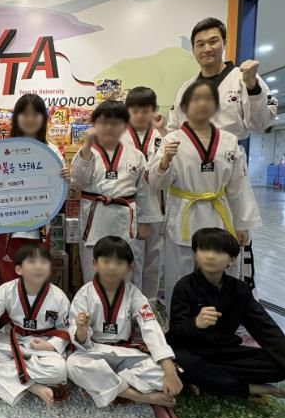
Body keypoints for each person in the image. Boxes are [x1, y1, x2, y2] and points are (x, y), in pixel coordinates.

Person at [148, 80, 261, 311]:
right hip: (184, 216)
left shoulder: (229, 141)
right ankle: (180, 323)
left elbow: (239, 186)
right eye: (195, 99)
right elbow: (155, 183)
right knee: (180, 275)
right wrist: (165, 162)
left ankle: (220, 324)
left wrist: (242, 224)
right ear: (184, 107)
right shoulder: (171, 139)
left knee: (220, 276)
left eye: (207, 99)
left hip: (219, 216)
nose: (201, 104)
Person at [166, 228, 285, 404]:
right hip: (192, 352)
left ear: (232, 259)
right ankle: (248, 388)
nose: (210, 256)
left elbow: (267, 330)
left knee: (279, 365)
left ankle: (206, 381)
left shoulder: (239, 290)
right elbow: (173, 335)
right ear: (195, 254)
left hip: (224, 353)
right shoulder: (184, 287)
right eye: (204, 249)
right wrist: (195, 324)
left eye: (218, 251)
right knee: (179, 360)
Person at [66, 236, 182, 408]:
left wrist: (169, 368)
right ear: (95, 263)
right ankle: (139, 396)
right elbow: (79, 339)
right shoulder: (84, 294)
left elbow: (150, 327)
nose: (112, 267)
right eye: (106, 261)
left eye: (119, 263)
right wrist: (82, 330)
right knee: (73, 365)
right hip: (94, 351)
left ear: (129, 268)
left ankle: (103, 383)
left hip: (125, 353)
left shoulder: (134, 294)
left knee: (161, 374)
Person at [0, 244, 70, 406]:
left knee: (59, 370)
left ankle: (3, 381)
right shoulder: (7, 290)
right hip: (14, 339)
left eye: (44, 262)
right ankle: (33, 387)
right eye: (32, 262)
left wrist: (51, 345)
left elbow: (65, 330)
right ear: (18, 269)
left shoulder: (59, 296)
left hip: (42, 344)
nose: (39, 267)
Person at [0, 94, 71, 284]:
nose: (30, 119)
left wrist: (65, 181)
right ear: (16, 117)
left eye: (35, 114)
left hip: (39, 228)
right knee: (8, 283)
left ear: (43, 118)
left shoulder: (52, 151)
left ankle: (35, 306)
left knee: (37, 281)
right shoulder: (5, 148)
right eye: (25, 114)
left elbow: (59, 196)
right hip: (8, 227)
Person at [70, 100, 154, 283]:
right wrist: (86, 146)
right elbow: (78, 181)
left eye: (115, 122)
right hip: (95, 219)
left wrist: (144, 222)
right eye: (103, 122)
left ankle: (126, 302)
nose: (109, 127)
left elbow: (144, 191)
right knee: (93, 274)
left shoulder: (136, 155)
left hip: (124, 219)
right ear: (94, 124)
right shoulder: (86, 152)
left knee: (127, 275)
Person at [167, 17, 277, 140]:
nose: (207, 49)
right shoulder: (185, 88)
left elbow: (261, 125)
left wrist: (253, 88)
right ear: (193, 50)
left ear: (224, 43)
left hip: (229, 151)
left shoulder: (245, 78)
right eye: (200, 44)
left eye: (213, 42)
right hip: (189, 151)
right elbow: (173, 128)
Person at [122, 87, 167, 301]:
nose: (140, 115)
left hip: (157, 206)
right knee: (133, 259)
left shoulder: (160, 135)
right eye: (135, 111)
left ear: (154, 110)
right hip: (129, 207)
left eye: (145, 110)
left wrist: (164, 130)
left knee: (154, 259)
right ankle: (132, 304)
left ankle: (150, 304)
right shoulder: (119, 136)